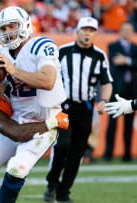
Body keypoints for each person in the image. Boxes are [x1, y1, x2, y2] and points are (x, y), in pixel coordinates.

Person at [0, 6, 67, 203]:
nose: (8, 32)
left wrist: (13, 70)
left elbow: (47, 81)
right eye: (4, 28)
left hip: (45, 119)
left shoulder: (40, 45)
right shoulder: (1, 52)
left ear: (25, 25)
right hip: (17, 119)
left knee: (17, 167)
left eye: (12, 26)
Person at [44, 17, 113, 202]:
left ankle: (63, 192)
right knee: (62, 145)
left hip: (86, 108)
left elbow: (106, 82)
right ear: (77, 31)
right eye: (84, 29)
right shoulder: (63, 51)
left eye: (91, 30)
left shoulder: (99, 56)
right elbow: (50, 77)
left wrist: (104, 100)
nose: (87, 33)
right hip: (64, 107)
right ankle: (52, 182)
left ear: (95, 33)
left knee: (77, 153)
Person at [103, 22, 137, 162]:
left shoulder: (136, 47)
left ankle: (127, 154)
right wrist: (129, 62)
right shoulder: (113, 46)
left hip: (131, 90)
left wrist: (126, 60)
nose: (127, 33)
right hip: (117, 90)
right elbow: (115, 61)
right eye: (125, 30)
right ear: (120, 31)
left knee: (128, 125)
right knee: (112, 124)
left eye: (130, 30)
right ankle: (108, 154)